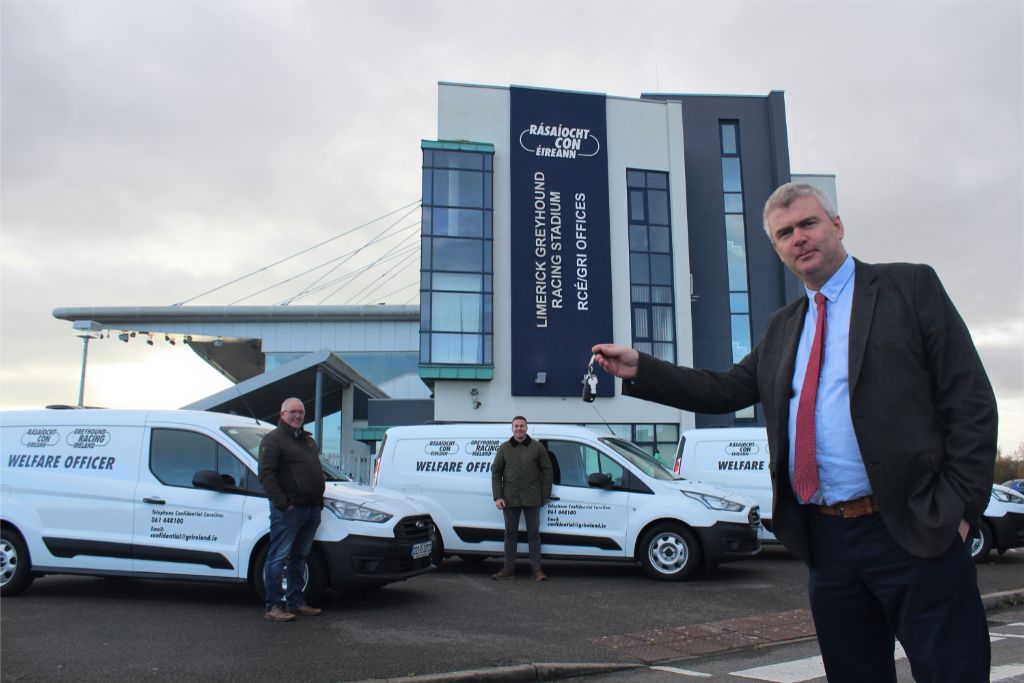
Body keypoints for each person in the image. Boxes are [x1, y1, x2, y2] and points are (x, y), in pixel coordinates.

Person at [592, 182, 997, 682]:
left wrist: (958, 511)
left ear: (837, 226)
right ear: (777, 247)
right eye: (785, 233)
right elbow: (725, 389)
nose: (799, 238)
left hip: (915, 528)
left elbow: (971, 402)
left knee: (952, 671)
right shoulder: (784, 326)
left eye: (808, 224)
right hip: (828, 540)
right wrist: (642, 369)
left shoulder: (909, 289)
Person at [258, 397, 327, 622]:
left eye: (301, 413)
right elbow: (266, 474)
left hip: (310, 509)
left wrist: (318, 500)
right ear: (282, 414)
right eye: (293, 412)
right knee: (278, 557)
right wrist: (283, 503)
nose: (297, 416)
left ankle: (296, 602)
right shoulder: (273, 440)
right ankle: (274, 606)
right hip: (289, 510)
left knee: (299, 557)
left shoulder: (307, 440)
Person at [491, 416, 554, 581]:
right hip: (510, 498)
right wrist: (498, 496)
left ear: (527, 428)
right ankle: (508, 568)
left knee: (533, 534)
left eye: (522, 426)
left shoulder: (537, 447)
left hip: (533, 497)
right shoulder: (504, 448)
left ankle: (536, 570)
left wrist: (545, 494)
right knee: (510, 534)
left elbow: (547, 470)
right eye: (516, 426)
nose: (519, 428)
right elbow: (496, 472)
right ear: (512, 428)